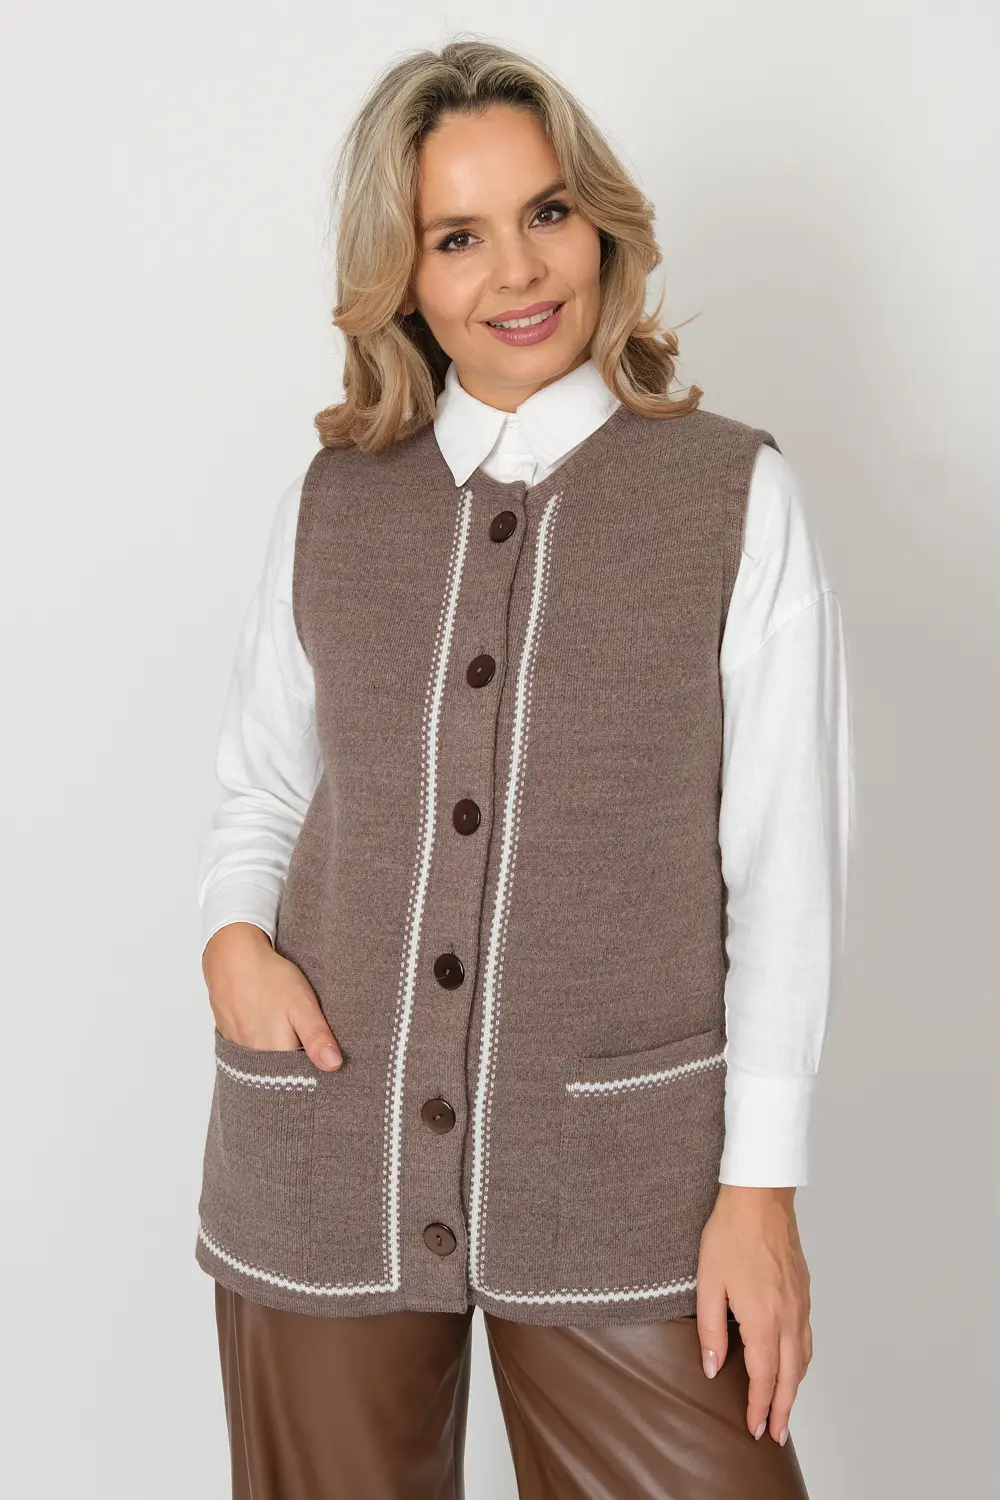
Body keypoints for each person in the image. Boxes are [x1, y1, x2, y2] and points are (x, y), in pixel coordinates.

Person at [193, 37, 854, 1500]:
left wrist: (761, 1190)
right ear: (403, 276)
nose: (517, 271)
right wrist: (234, 937)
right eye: (458, 236)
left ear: (601, 224)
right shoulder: (334, 501)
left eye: (547, 213)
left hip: (623, 1172)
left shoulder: (732, 497)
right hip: (325, 1149)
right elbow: (264, 783)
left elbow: (786, 873)